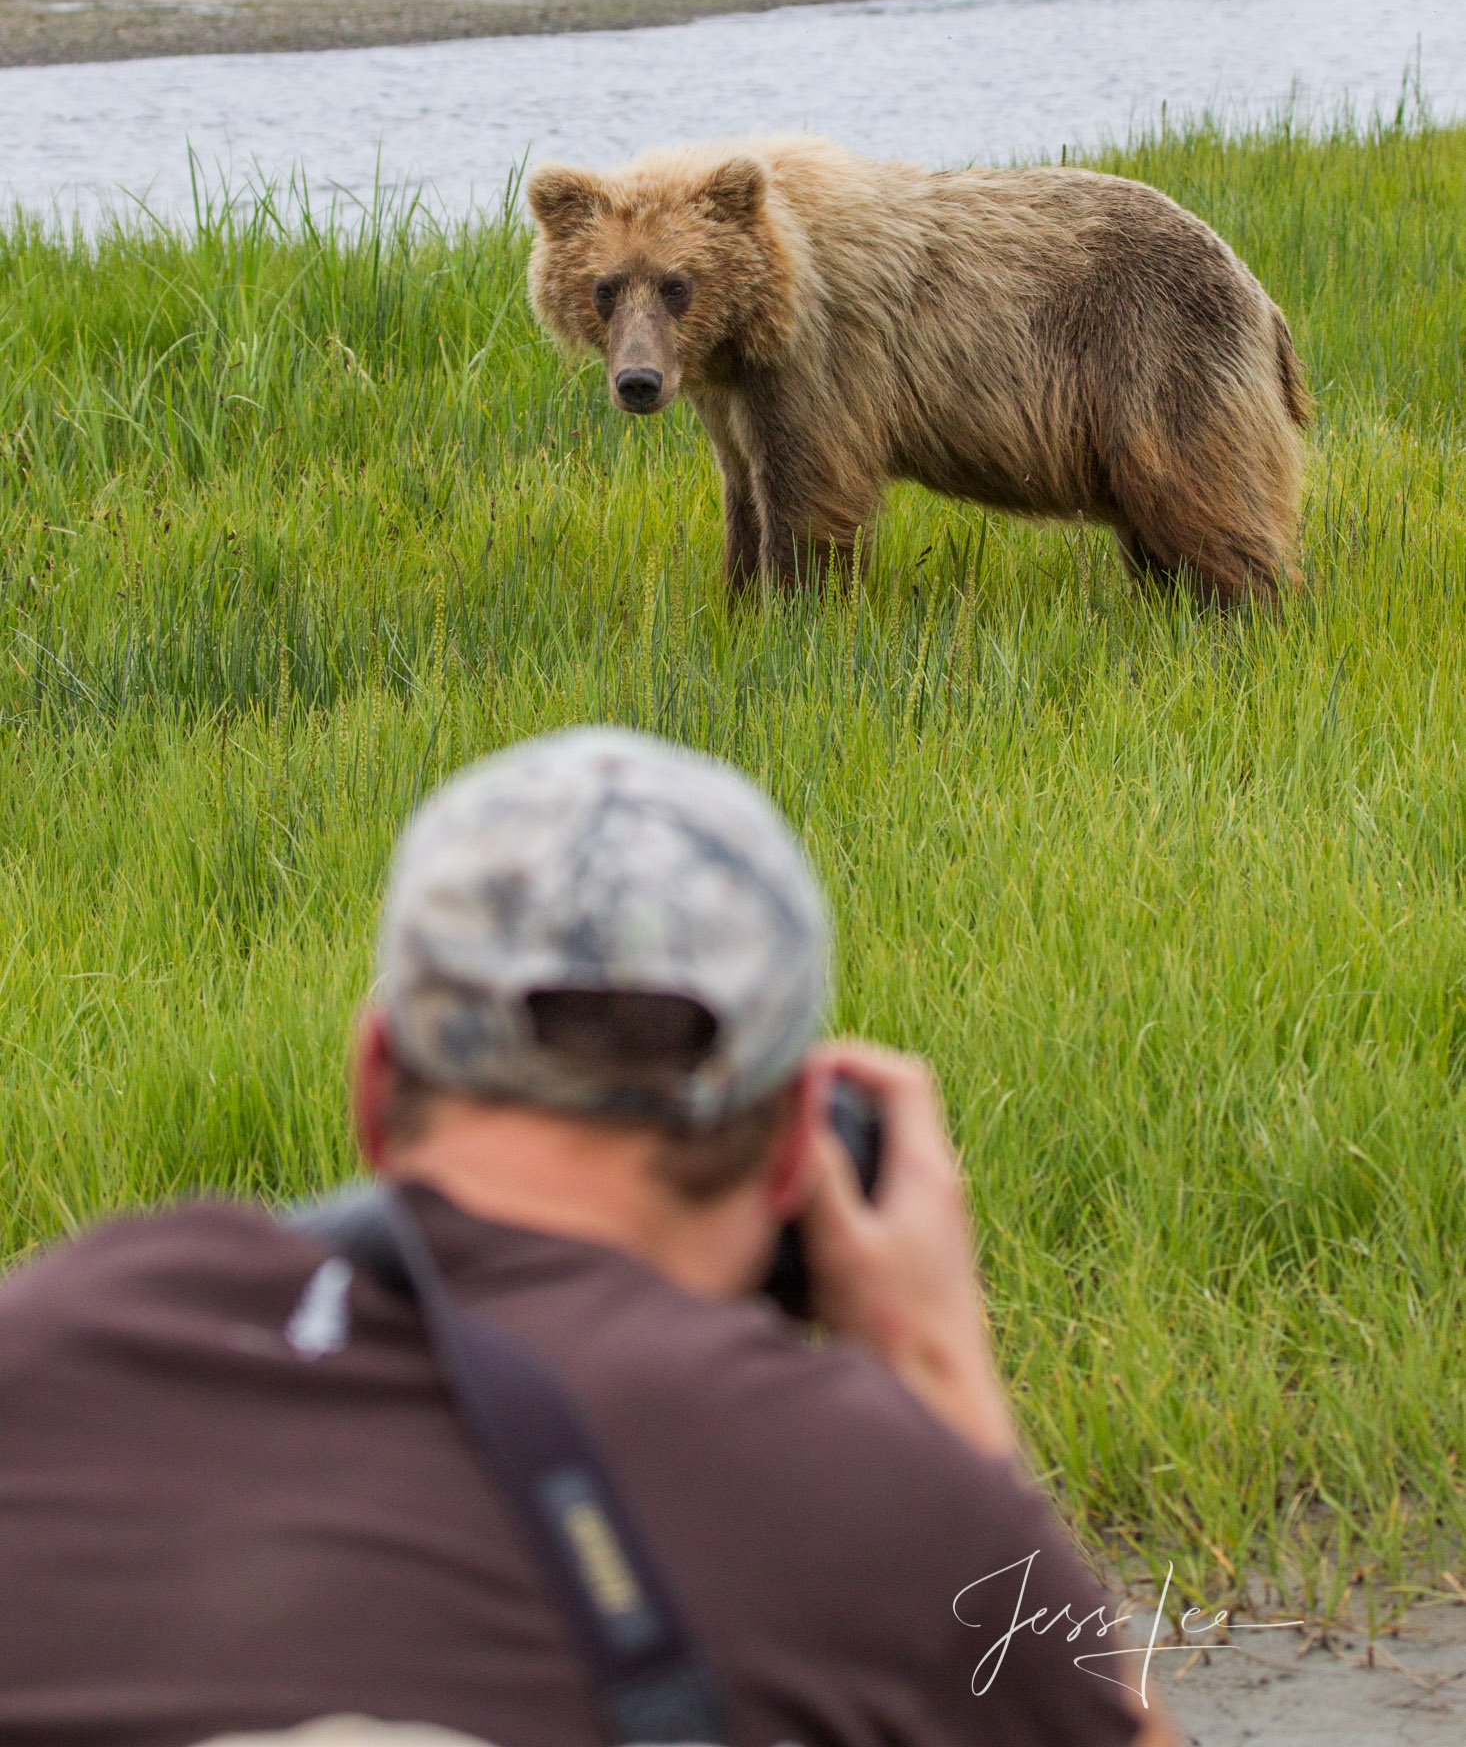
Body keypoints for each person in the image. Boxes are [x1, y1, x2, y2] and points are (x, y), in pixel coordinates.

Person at [0, 727, 1174, 1747]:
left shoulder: (51, 1339)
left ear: (371, 1085)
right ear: (796, 1147)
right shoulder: (872, 1505)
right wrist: (947, 1389)